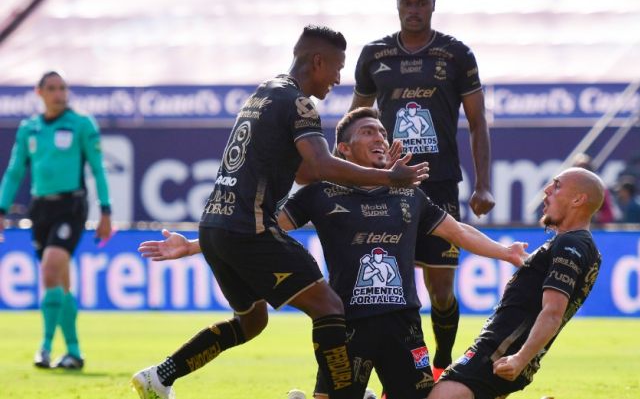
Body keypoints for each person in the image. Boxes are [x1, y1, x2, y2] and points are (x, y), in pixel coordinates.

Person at [137, 108, 526, 399]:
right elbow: (258, 232)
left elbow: (457, 231)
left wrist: (505, 252)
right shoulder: (319, 194)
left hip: (404, 325)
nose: (379, 137)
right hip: (346, 327)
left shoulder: (409, 194)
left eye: (381, 132)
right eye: (368, 132)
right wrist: (189, 246)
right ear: (343, 148)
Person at [130, 26, 429, 399]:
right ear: (317, 61)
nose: (338, 79)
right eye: (336, 68)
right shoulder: (300, 103)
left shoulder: (265, 93)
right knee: (329, 305)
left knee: (252, 321)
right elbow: (319, 166)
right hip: (249, 229)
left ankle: (161, 376)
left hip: (215, 228)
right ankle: (343, 395)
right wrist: (388, 177)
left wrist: (193, 245)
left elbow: (302, 171)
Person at [348, 0, 495, 378]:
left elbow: (478, 121)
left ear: (433, 4)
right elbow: (355, 120)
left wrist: (483, 184)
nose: (413, 10)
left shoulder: (456, 54)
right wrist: (351, 172)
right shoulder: (374, 55)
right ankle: (398, 371)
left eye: (421, 2)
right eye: (406, 2)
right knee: (391, 286)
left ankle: (443, 364)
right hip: (389, 183)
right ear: (396, 4)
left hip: (441, 183)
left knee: (441, 291)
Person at [428, 167, 604, 399]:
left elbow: (553, 313)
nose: (547, 190)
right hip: (507, 352)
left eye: (557, 185)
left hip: (499, 352)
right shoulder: (581, 247)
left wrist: (520, 358)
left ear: (578, 199)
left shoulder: (570, 245)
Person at [0, 71, 113, 369]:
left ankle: (45, 347)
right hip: (40, 209)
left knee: (50, 271)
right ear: (39, 93)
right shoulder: (29, 129)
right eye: (52, 88)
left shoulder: (81, 124)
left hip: (71, 206)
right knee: (60, 283)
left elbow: (99, 170)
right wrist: (1, 209)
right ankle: (74, 352)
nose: (59, 93)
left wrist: (106, 211)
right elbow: (14, 172)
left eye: (62, 88)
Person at [572, 153, 616, 224]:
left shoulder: (600, 189)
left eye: (584, 168)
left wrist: (596, 218)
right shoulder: (567, 188)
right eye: (577, 169)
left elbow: (609, 214)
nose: (581, 171)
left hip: (594, 230)